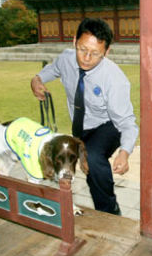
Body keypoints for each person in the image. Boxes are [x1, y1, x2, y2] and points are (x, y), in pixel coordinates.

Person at [31, 18, 138, 215]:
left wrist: (125, 152)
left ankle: (109, 212)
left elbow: (126, 122)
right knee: (82, 168)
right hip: (80, 128)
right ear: (74, 42)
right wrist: (37, 80)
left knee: (93, 157)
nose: (87, 58)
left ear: (106, 52)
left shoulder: (115, 79)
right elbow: (52, 70)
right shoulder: (66, 58)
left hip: (108, 125)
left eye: (95, 53)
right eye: (82, 49)